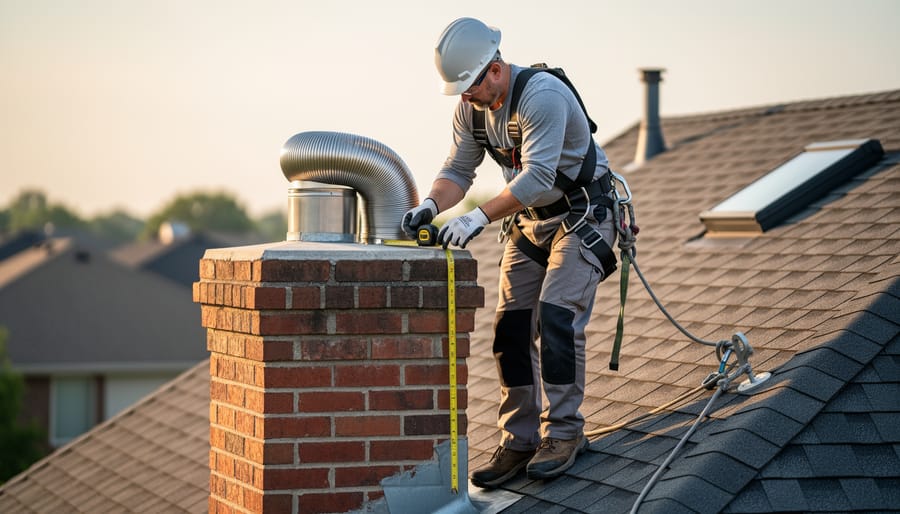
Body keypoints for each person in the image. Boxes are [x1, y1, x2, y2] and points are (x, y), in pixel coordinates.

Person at [401, 17, 618, 488]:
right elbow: (459, 168)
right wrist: (432, 205)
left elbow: (538, 177)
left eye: (470, 86)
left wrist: (478, 217)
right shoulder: (472, 109)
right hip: (531, 222)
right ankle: (519, 440)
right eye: (458, 89)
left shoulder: (541, 97)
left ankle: (563, 435)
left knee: (557, 315)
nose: (464, 97)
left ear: (494, 69)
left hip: (583, 216)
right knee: (511, 327)